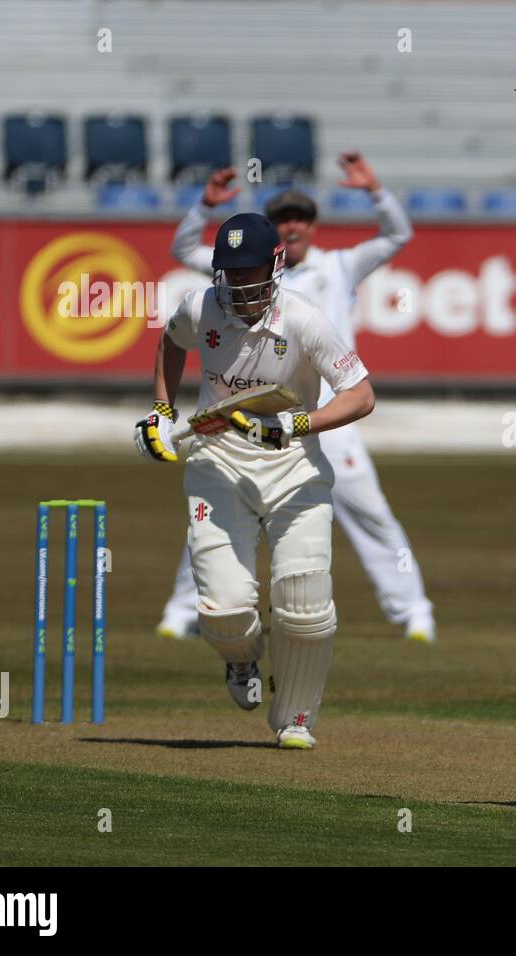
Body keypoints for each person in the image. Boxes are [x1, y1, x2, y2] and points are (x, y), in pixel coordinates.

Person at [156, 154, 436, 644]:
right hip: (245, 418)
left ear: (311, 225)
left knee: (370, 512)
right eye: (283, 218)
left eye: (300, 218)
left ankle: (414, 611)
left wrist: (375, 191)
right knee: (215, 515)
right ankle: (185, 611)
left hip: (328, 416)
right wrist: (203, 206)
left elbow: (397, 236)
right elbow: (184, 249)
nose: (292, 225)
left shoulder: (340, 266)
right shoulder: (240, 273)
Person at [134, 212, 375, 749]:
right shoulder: (201, 307)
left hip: (295, 470)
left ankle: (296, 717)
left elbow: (361, 394)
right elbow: (172, 343)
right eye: (232, 275)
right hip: (217, 463)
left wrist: (292, 425)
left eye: (251, 275)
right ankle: (242, 660)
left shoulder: (305, 320)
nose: (241, 288)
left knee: (305, 601)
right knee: (223, 612)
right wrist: (159, 412)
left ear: (276, 264)